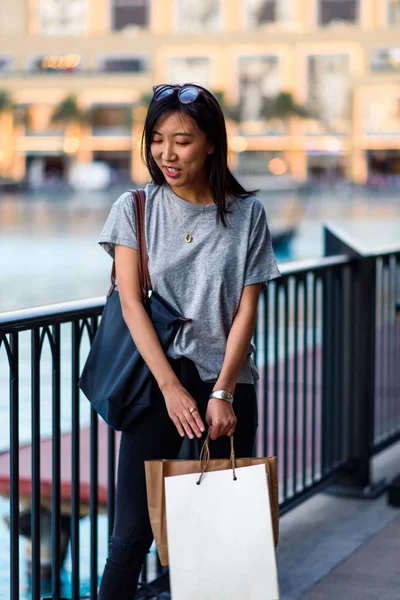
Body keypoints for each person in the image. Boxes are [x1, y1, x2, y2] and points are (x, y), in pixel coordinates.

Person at [97, 83, 281, 599]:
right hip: (154, 384)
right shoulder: (134, 207)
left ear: (211, 145)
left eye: (181, 140)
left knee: (217, 537)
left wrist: (222, 391)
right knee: (130, 537)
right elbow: (131, 302)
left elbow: (247, 307)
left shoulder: (248, 214)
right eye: (157, 140)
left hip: (226, 387)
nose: (166, 154)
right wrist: (172, 389)